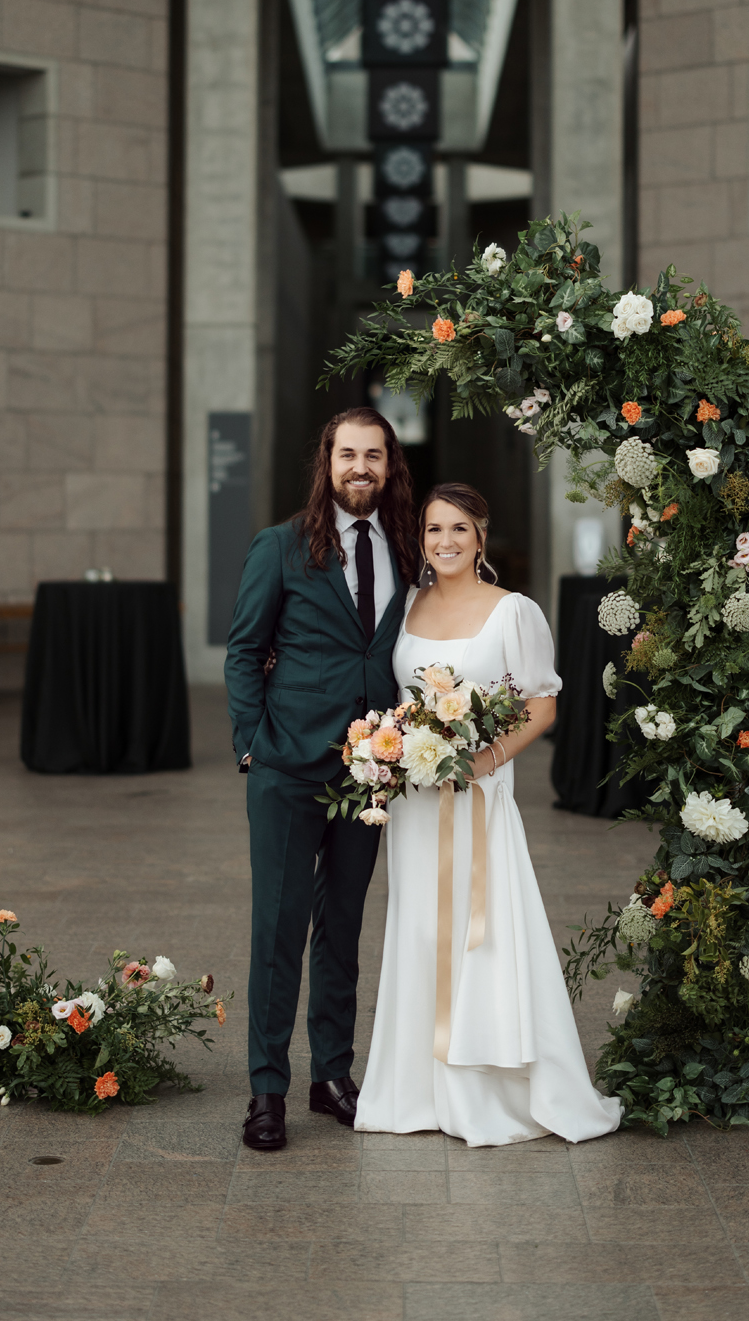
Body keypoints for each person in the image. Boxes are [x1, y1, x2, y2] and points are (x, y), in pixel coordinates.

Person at [355, 482, 622, 1147]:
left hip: (477, 797)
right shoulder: (407, 604)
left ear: (481, 536)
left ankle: (492, 1088)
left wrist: (484, 757)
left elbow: (543, 704)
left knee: (486, 932)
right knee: (418, 930)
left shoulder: (513, 612)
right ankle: (413, 1089)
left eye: (458, 529)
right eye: (433, 529)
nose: (444, 541)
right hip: (416, 803)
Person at [225, 407, 416, 1152]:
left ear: (389, 465)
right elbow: (244, 650)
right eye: (348, 454)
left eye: (374, 454)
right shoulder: (279, 546)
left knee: (342, 928)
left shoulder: (407, 548)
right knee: (277, 929)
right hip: (286, 767)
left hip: (370, 774)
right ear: (327, 463)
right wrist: (250, 744)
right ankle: (266, 1088)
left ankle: (330, 1072)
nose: (360, 466)